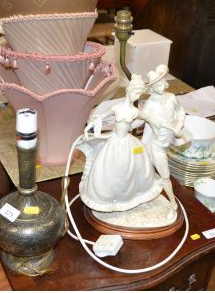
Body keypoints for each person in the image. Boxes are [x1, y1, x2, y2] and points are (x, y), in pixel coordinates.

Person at [77, 74, 163, 212]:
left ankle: (128, 196)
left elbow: (149, 119)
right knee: (109, 168)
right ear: (128, 90)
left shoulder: (135, 111)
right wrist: (88, 127)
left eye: (139, 93)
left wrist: (159, 126)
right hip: (115, 141)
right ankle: (108, 196)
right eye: (135, 92)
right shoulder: (117, 108)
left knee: (132, 168)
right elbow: (101, 116)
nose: (136, 96)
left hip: (129, 143)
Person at [141, 65, 188, 210]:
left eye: (162, 83)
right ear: (152, 88)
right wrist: (124, 115)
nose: (161, 87)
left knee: (149, 174)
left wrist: (178, 124)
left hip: (169, 142)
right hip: (155, 146)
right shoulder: (149, 105)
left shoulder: (172, 98)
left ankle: (146, 196)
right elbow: (139, 119)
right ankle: (172, 203)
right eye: (157, 85)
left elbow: (181, 111)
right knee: (164, 175)